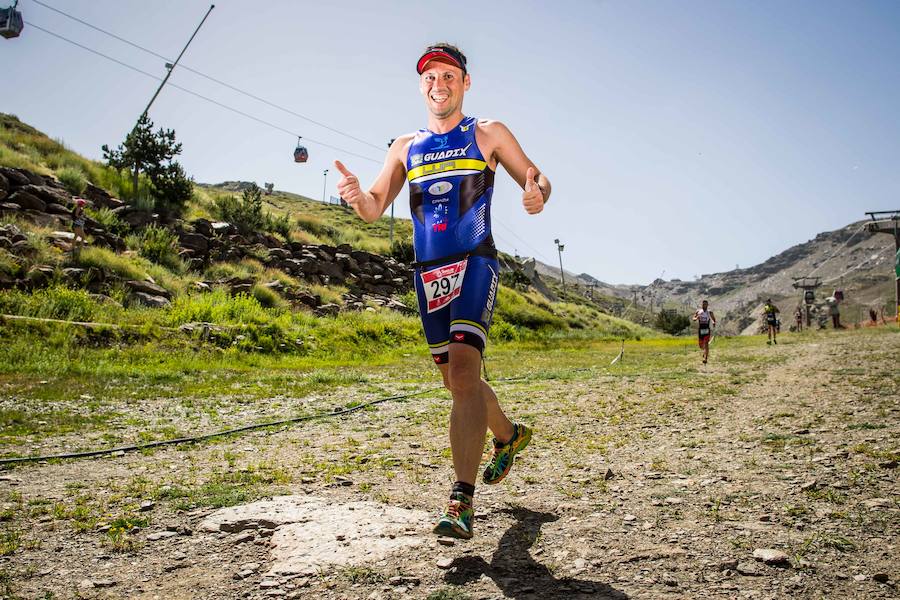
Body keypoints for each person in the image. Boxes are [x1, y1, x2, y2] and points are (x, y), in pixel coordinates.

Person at [333, 43, 550, 540]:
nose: (439, 84)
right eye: (430, 77)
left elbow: (535, 176)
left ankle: (461, 501)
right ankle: (508, 435)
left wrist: (537, 191)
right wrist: (357, 197)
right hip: (427, 273)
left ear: (465, 83)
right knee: (457, 382)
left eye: (449, 75)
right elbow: (373, 207)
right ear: (421, 86)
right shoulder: (404, 146)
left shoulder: (487, 133)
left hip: (475, 262)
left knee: (466, 370)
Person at [691, 300, 716, 364]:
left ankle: (705, 358)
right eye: (703, 304)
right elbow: (693, 318)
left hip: (707, 329)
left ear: (707, 305)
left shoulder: (710, 312)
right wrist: (696, 318)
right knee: (701, 346)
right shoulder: (698, 311)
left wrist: (713, 322)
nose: (704, 305)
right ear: (701, 305)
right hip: (700, 330)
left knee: (706, 343)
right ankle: (704, 351)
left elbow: (713, 319)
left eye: (705, 304)